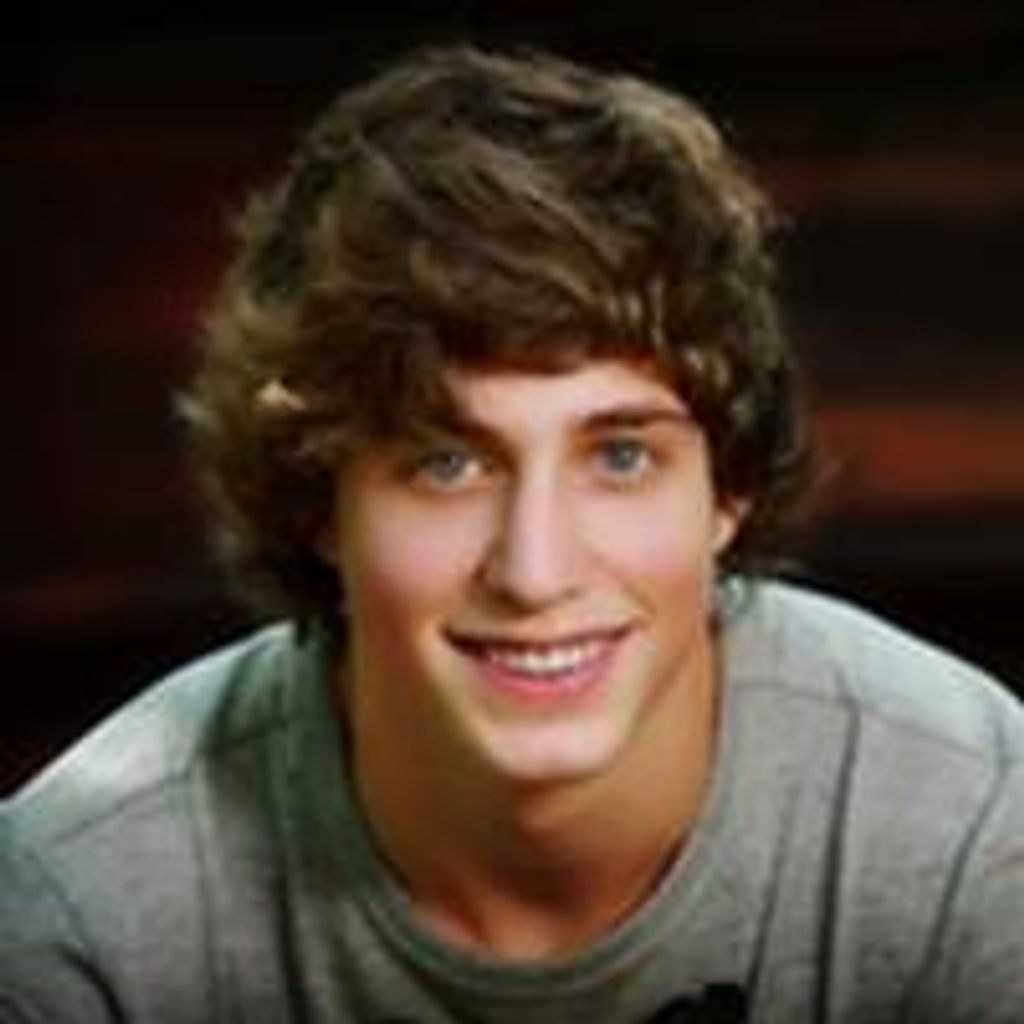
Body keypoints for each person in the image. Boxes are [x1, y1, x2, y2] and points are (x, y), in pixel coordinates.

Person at [1, 45, 1021, 1024]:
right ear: (319, 501)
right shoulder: (78, 907)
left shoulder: (972, 823)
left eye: (620, 456)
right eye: (447, 464)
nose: (535, 571)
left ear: (729, 488)